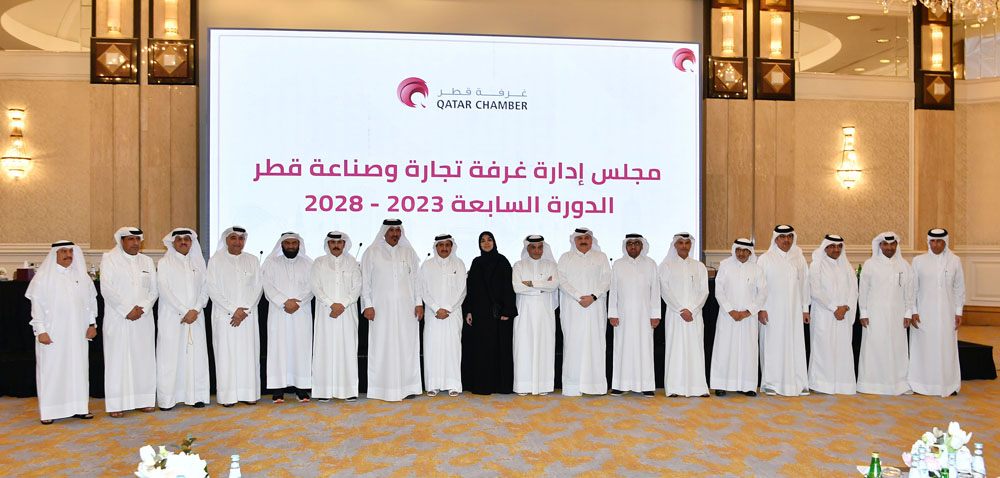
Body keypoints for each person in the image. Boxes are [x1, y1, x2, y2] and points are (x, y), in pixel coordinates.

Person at [25, 241, 98, 424]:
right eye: (63, 251)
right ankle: (50, 410)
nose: (68, 255)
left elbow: (91, 303)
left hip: (78, 333)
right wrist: (40, 330)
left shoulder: (82, 277)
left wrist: (92, 324)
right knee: (52, 370)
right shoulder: (43, 278)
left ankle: (80, 408)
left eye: (70, 251)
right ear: (55, 254)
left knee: (78, 369)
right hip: (53, 333)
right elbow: (37, 307)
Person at [361, 219, 423, 401]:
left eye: (398, 230)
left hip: (406, 310)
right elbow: (365, 281)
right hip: (380, 309)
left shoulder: (409, 252)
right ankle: (381, 388)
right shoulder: (372, 252)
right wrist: (368, 305)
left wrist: (418, 302)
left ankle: (408, 387)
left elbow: (416, 280)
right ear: (384, 232)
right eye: (391, 231)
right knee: (382, 346)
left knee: (407, 346)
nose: (395, 234)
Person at [100, 227, 158, 417]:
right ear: (121, 241)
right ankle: (116, 404)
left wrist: (142, 307)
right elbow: (107, 289)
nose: (135, 243)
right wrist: (126, 309)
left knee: (143, 358)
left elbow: (154, 291)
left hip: (143, 317)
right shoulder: (109, 259)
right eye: (130, 239)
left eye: (137, 239)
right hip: (118, 318)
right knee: (118, 360)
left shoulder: (147, 261)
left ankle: (144, 400)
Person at [206, 226, 263, 406]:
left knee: (248, 355)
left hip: (247, 316)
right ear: (226, 240)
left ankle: (249, 393)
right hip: (225, 317)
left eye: (241, 239)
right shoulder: (215, 261)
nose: (237, 242)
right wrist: (233, 310)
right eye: (233, 238)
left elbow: (257, 287)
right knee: (226, 355)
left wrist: (244, 310)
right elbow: (212, 289)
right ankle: (228, 396)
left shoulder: (253, 260)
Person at [155, 228, 210, 410]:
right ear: (173, 243)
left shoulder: (198, 264)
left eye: (187, 239)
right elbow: (164, 289)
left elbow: (205, 290)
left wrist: (195, 309)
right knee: (170, 357)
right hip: (173, 317)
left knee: (196, 357)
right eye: (179, 239)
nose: (183, 242)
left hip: (195, 317)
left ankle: (196, 396)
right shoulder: (165, 262)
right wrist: (184, 310)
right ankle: (168, 399)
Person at [909, 228, 965, 397]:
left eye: (939, 241)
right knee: (924, 348)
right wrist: (913, 310)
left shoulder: (955, 261)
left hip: (947, 315)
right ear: (928, 242)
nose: (935, 244)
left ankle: (948, 385)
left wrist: (958, 311)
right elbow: (913, 289)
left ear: (945, 242)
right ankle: (922, 384)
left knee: (947, 348)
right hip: (924, 314)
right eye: (932, 241)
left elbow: (959, 288)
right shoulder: (918, 261)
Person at [857, 232, 914, 395]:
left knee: (897, 348)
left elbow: (909, 292)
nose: (889, 248)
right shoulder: (870, 264)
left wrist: (908, 312)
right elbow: (863, 290)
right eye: (886, 244)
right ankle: (871, 384)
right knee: (874, 347)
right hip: (874, 314)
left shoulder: (905, 266)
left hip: (898, 315)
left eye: (893, 244)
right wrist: (863, 313)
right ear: (879, 245)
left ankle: (897, 384)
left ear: (897, 245)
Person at [757, 225, 810, 396]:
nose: (786, 240)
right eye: (782, 237)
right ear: (776, 239)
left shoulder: (799, 259)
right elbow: (760, 287)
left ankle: (798, 382)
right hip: (772, 311)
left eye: (789, 237)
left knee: (795, 344)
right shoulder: (766, 259)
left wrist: (805, 309)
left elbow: (804, 285)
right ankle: (771, 383)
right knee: (773, 345)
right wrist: (761, 309)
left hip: (794, 311)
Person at [462, 231, 518, 395]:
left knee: (500, 351)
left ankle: (500, 386)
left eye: (489, 240)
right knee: (482, 352)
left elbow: (509, 288)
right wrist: (469, 311)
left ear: (494, 242)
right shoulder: (476, 262)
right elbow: (471, 289)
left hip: (500, 316)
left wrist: (507, 310)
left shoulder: (502, 261)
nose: (486, 243)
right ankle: (483, 386)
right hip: (481, 316)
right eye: (483, 241)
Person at [557, 227, 611, 396]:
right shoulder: (566, 258)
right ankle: (573, 386)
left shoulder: (600, 257)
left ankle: (595, 386)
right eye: (580, 238)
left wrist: (593, 296)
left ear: (591, 240)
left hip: (595, 308)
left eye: (587, 237)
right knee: (573, 344)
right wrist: (579, 296)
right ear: (574, 240)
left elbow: (607, 279)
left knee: (595, 344)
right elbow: (561, 281)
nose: (583, 240)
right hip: (573, 308)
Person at [262, 231, 315, 403]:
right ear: (281, 244)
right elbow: (267, 286)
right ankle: (278, 389)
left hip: (301, 312)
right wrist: (284, 302)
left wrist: (297, 302)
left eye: (294, 243)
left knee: (301, 349)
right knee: (278, 349)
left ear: (299, 245)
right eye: (287, 243)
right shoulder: (271, 263)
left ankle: (302, 388)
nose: (291, 246)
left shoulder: (308, 264)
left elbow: (312, 285)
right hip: (279, 312)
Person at [310, 231, 362, 402]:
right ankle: (324, 391)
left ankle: (348, 390)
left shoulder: (353, 263)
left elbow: (357, 287)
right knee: (324, 349)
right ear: (328, 244)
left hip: (347, 313)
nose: (336, 245)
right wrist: (331, 304)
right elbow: (316, 287)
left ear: (344, 244)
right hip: (326, 313)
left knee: (347, 349)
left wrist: (343, 304)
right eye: (332, 242)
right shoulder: (319, 262)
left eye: (339, 242)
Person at [710, 238, 766, 397]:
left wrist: (749, 311)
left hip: (749, 318)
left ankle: (747, 385)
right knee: (725, 349)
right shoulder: (725, 265)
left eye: (745, 250)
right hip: (728, 316)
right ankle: (721, 384)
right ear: (734, 250)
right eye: (738, 250)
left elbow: (762, 293)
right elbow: (719, 291)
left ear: (750, 252)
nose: (741, 253)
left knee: (747, 350)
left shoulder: (757, 269)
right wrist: (731, 310)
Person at [608, 234, 660, 397]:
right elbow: (613, 291)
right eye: (630, 243)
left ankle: (646, 385)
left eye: (637, 243)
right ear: (625, 246)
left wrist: (655, 314)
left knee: (644, 349)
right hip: (622, 316)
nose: (633, 246)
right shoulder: (617, 265)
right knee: (622, 348)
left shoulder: (651, 264)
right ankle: (620, 385)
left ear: (642, 246)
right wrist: (612, 313)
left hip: (644, 316)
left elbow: (655, 291)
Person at [659, 232, 710, 397]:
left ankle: (698, 388)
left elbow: (704, 291)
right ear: (675, 245)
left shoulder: (699, 266)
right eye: (680, 243)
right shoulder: (666, 266)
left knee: (695, 349)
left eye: (687, 243)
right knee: (675, 349)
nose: (684, 246)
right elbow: (664, 290)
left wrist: (692, 310)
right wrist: (681, 309)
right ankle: (674, 388)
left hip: (695, 315)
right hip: (675, 315)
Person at [807, 234, 858, 395]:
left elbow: (853, 290)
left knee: (843, 349)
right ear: (826, 248)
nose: (836, 250)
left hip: (843, 314)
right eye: (832, 246)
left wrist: (846, 307)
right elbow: (815, 291)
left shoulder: (847, 267)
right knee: (823, 348)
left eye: (839, 247)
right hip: (824, 314)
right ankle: (821, 384)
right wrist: (834, 307)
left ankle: (843, 385)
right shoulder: (817, 265)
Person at [511, 235, 560, 396]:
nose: (537, 251)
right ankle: (523, 386)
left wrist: (531, 283)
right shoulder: (519, 265)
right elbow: (517, 287)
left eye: (540, 247)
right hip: (524, 313)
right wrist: (542, 286)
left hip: (544, 313)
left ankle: (543, 385)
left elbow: (553, 285)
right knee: (523, 347)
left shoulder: (551, 265)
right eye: (533, 247)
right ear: (527, 248)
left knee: (544, 346)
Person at [419, 234, 467, 397]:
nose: (444, 248)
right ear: (436, 247)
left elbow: (462, 290)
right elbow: (423, 289)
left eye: (447, 245)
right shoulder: (427, 265)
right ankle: (433, 384)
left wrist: (447, 308)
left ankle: (453, 384)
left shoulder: (459, 264)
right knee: (433, 347)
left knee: (452, 348)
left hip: (453, 314)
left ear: (452, 247)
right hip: (433, 315)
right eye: (441, 245)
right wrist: (435, 308)